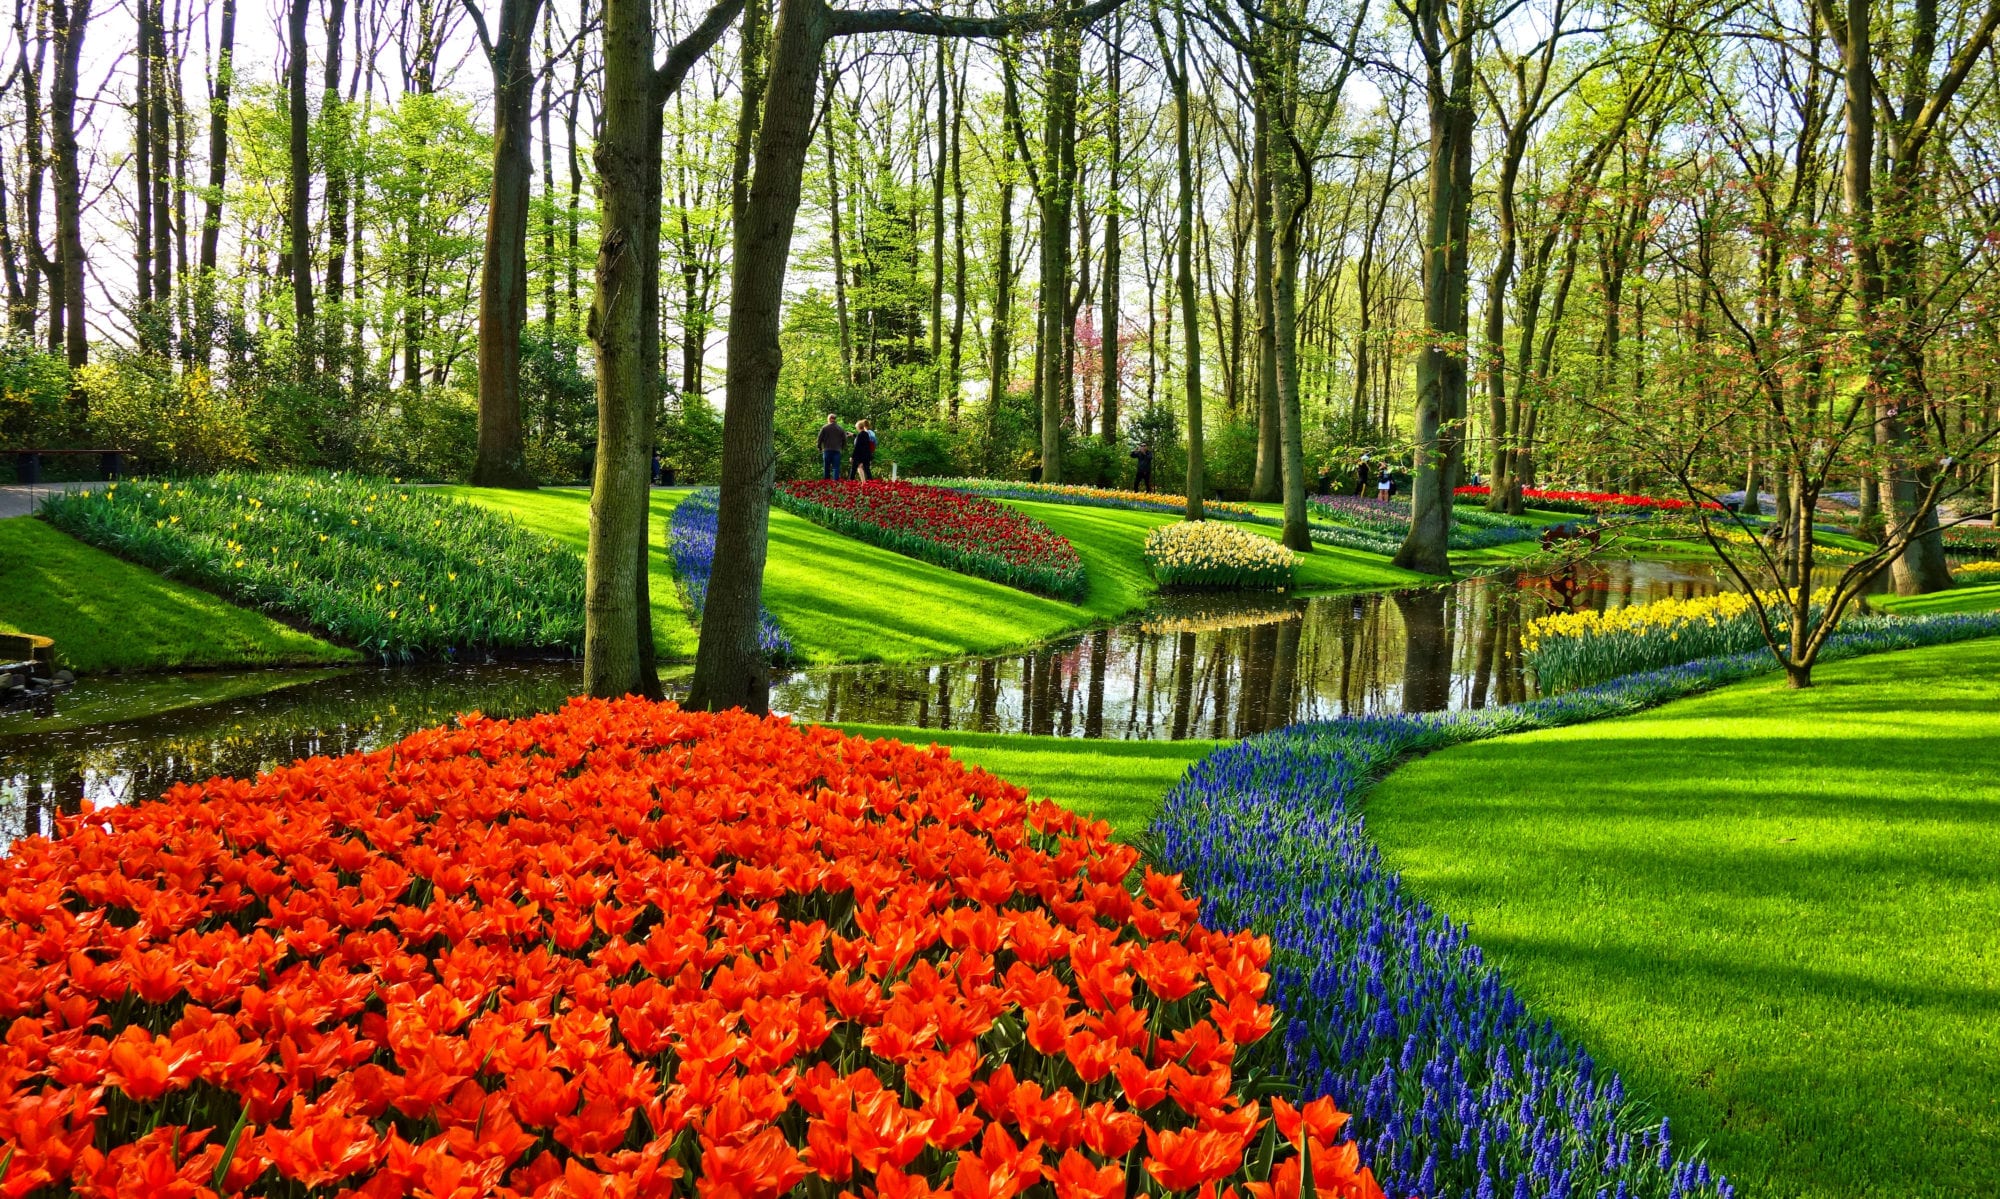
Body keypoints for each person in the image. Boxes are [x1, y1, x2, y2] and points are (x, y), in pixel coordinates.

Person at [817, 414, 847, 480]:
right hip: (837, 450)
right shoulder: (840, 428)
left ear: (829, 419)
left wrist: (819, 447)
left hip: (827, 450)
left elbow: (819, 438)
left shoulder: (825, 427)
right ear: (835, 419)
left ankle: (826, 482)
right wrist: (842, 447)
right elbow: (844, 439)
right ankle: (835, 483)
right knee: (836, 467)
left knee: (826, 467)